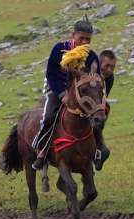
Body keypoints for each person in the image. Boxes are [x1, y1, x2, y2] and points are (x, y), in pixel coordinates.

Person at [32, 19, 101, 170]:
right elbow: (51, 74)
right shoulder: (59, 49)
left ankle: (97, 151)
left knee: (97, 116)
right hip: (57, 90)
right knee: (50, 116)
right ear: (73, 35)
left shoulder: (92, 56)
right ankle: (42, 150)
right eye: (81, 38)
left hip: (81, 95)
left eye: (88, 39)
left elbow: (96, 78)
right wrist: (63, 94)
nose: (84, 41)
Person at [93, 49, 116, 171]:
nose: (109, 70)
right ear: (99, 63)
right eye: (106, 66)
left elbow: (102, 98)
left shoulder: (110, 78)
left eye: (112, 67)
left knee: (106, 107)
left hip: (95, 107)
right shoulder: (89, 72)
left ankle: (97, 141)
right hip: (83, 104)